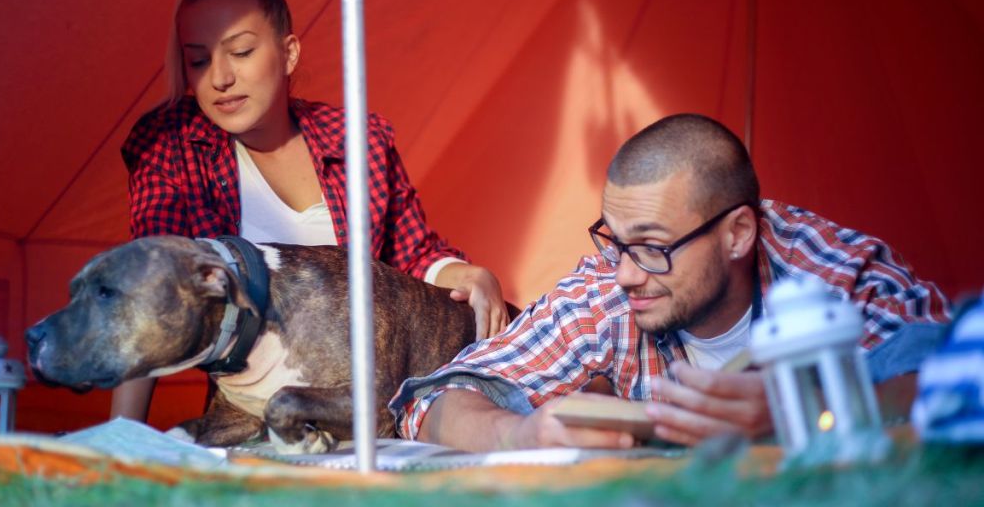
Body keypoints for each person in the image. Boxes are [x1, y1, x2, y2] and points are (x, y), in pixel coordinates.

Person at [389, 113, 950, 451]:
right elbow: (433, 400)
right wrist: (521, 435)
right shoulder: (608, 289)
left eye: (654, 248)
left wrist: (807, 411)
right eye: (615, 241)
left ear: (737, 234)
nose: (628, 273)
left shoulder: (831, 271)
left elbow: (957, 378)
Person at [113, 0, 509, 422]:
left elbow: (411, 256)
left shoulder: (356, 139)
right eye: (198, 61)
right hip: (253, 414)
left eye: (240, 52)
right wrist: (121, 436)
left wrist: (466, 274)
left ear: (288, 52)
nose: (220, 78)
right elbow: (152, 290)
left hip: (373, 401)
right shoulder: (171, 146)